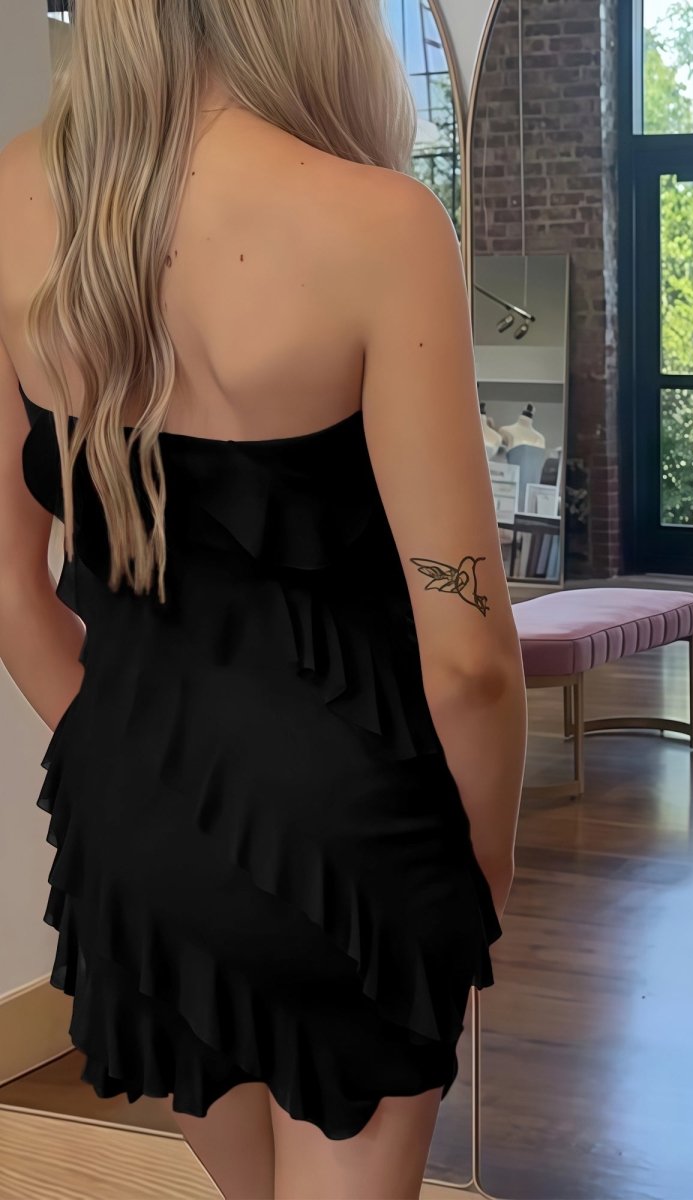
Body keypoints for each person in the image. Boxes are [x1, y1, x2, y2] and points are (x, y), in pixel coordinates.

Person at [0, 2, 527, 1197]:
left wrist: (129, 757)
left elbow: (12, 592)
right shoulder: (381, 226)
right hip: (360, 835)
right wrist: (482, 862)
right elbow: (469, 660)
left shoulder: (14, 199)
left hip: (129, 832)